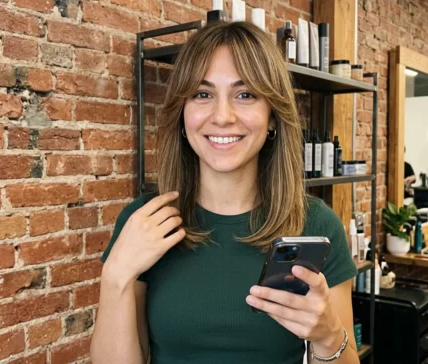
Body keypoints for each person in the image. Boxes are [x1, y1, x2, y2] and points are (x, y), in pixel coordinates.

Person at [91, 21, 359, 364]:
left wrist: (327, 334)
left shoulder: (317, 224)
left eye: (245, 94)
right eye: (203, 94)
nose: (222, 116)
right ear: (183, 114)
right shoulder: (145, 222)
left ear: (273, 116)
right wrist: (114, 276)